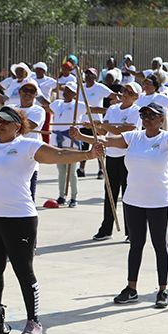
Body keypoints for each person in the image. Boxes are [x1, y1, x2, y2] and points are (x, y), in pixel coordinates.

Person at [0, 106, 103, 334]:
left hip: (20, 219)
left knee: (23, 271)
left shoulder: (27, 145)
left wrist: (88, 155)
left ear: (18, 126)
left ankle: (33, 321)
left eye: (5, 121)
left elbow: (57, 154)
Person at [71, 102, 168, 308]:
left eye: (151, 115)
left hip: (158, 201)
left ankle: (163, 290)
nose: (146, 118)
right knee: (136, 245)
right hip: (133, 200)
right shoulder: (134, 137)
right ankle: (131, 288)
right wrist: (82, 136)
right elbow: (108, 140)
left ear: (161, 119)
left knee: (160, 246)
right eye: (144, 115)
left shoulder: (166, 138)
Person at [74, 82, 143, 241]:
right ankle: (106, 229)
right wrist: (94, 126)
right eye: (125, 90)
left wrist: (103, 125)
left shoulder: (136, 111)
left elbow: (125, 130)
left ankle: (131, 231)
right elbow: (104, 131)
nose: (125, 93)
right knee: (110, 193)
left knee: (129, 194)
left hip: (128, 157)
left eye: (130, 92)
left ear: (135, 97)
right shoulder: (112, 109)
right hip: (111, 155)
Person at [40, 82, 87, 207]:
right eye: (65, 90)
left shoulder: (78, 105)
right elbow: (46, 107)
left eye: (70, 91)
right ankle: (61, 196)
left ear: (74, 94)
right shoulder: (57, 103)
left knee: (71, 171)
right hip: (57, 143)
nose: (66, 92)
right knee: (61, 171)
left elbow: (93, 110)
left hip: (72, 142)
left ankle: (74, 197)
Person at [7, 79, 47, 200]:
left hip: (28, 158)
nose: (28, 93)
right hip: (10, 156)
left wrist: (8, 124)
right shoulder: (11, 108)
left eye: (32, 91)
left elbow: (28, 127)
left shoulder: (38, 110)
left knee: (28, 197)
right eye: (25, 90)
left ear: (36, 94)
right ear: (19, 92)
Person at [77, 67, 115, 179]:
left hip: (96, 123)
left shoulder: (99, 87)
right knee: (84, 147)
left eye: (91, 74)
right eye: (86, 74)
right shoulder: (81, 88)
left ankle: (101, 170)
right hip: (83, 122)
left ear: (95, 76)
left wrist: (114, 105)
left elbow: (113, 95)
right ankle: (82, 168)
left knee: (98, 145)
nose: (88, 76)